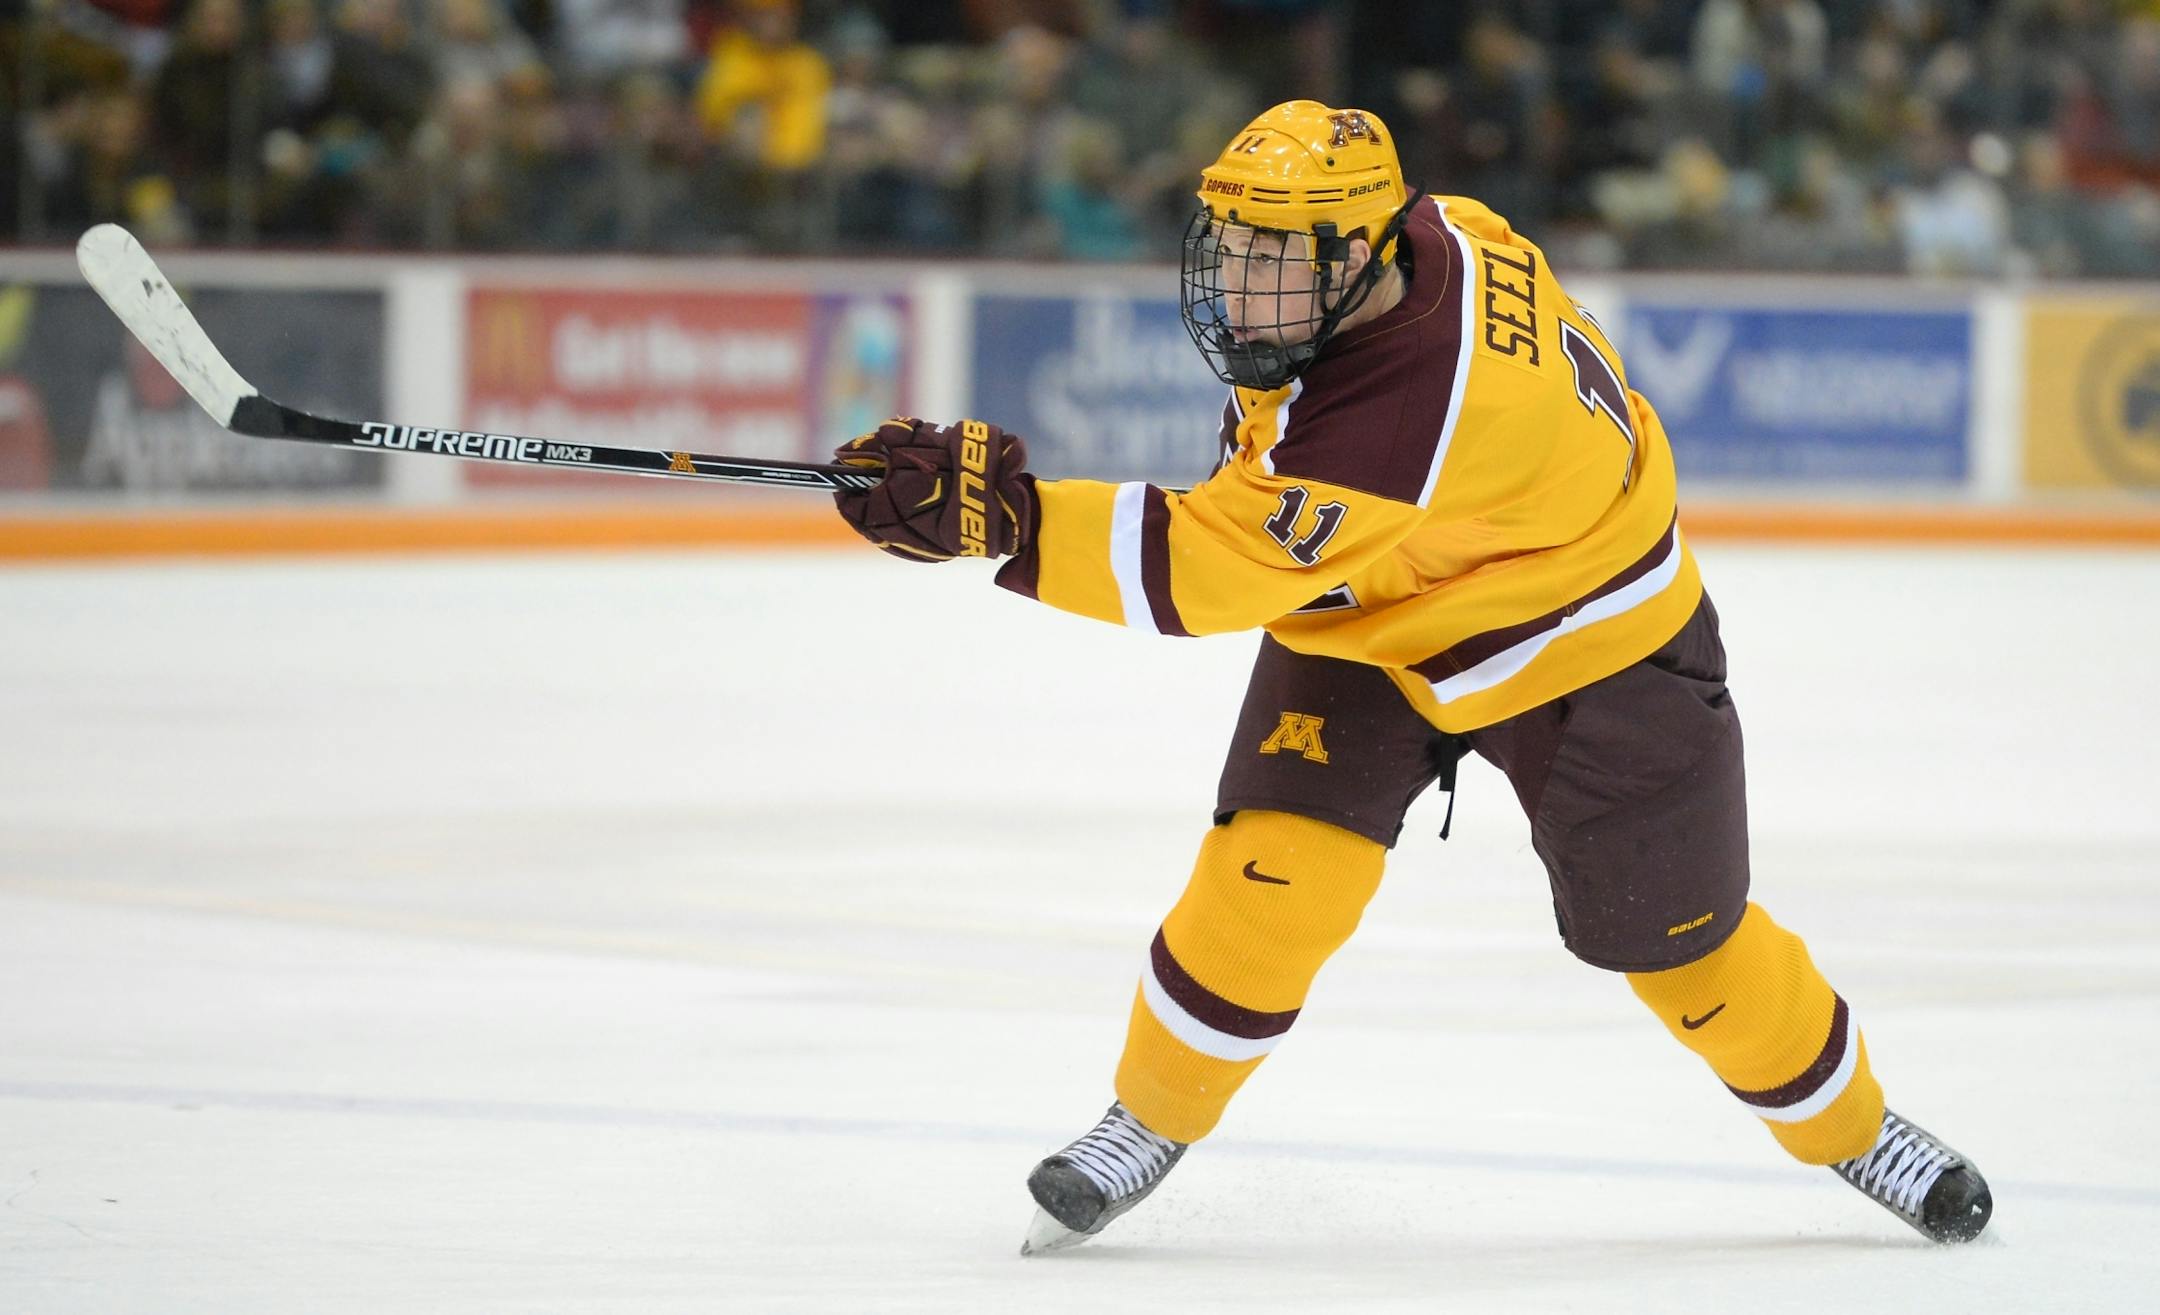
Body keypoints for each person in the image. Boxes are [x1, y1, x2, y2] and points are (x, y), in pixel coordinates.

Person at [829, 100, 1993, 1254]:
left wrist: (1006, 521)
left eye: (1272, 255)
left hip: (1587, 637)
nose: (1237, 278)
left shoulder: (1402, 419)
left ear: (1360, 256)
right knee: (1269, 879)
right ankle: (1147, 1119)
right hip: (1380, 599)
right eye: (1229, 241)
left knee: (1684, 945)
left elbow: (1210, 571)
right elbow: (1275, 511)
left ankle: (1856, 1128)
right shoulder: (1436, 234)